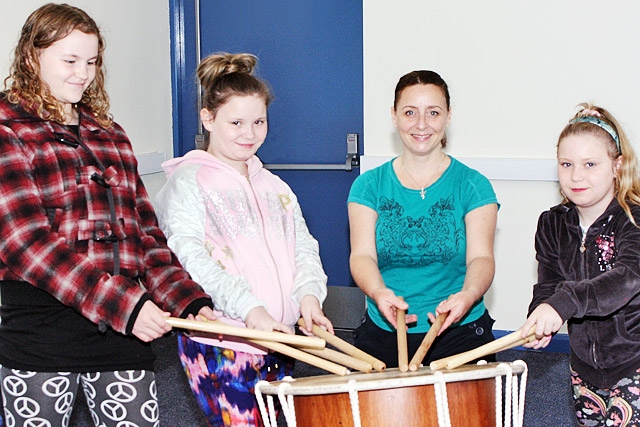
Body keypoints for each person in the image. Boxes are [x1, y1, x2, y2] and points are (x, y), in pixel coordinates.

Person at [0, 4, 216, 426]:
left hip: (119, 332)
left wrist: (186, 300)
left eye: (92, 61)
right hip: (42, 334)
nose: (83, 73)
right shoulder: (7, 129)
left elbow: (146, 237)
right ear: (31, 57)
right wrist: (128, 306)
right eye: (70, 60)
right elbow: (26, 243)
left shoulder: (111, 135)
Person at [155, 52, 334, 427]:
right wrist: (251, 310)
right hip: (223, 342)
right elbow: (189, 259)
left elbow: (303, 246)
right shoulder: (189, 182)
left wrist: (309, 298)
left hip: (279, 339)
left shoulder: (275, 185)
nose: (249, 133)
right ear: (208, 119)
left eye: (258, 121)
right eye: (236, 122)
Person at [347, 70, 499, 368]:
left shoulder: (474, 186)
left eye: (433, 113)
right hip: (385, 330)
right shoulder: (368, 186)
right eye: (409, 112)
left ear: (448, 117)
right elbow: (362, 255)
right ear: (394, 116)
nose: (421, 124)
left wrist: (467, 295)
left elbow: (481, 258)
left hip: (459, 331)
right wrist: (379, 292)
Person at [520, 103, 640, 426]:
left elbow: (626, 279)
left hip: (634, 364)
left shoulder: (633, 220)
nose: (576, 176)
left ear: (617, 166)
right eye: (566, 164)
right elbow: (549, 284)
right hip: (583, 369)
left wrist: (564, 303)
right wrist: (540, 315)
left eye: (590, 164)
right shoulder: (552, 224)